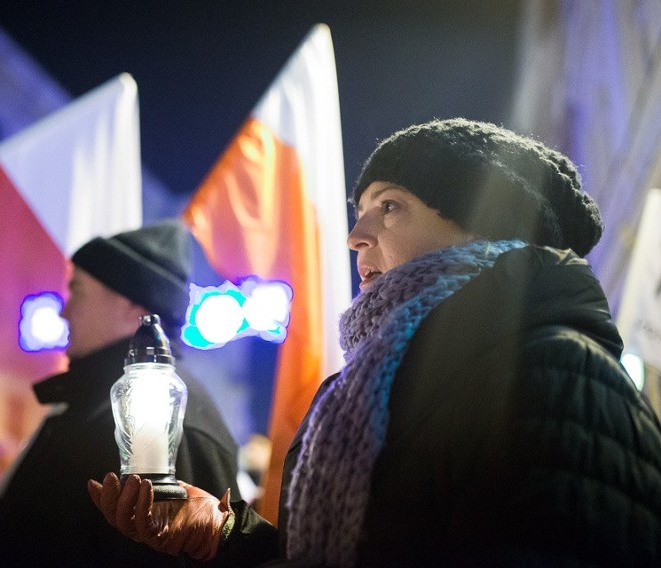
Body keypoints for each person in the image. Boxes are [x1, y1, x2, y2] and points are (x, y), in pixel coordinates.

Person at [88, 118, 661, 566]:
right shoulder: (363, 390)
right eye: (360, 212)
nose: (355, 237)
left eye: (391, 207)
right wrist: (222, 534)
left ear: (487, 222)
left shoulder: (556, 371)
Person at [0, 220, 241, 567]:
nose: (64, 311)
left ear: (134, 306)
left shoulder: (160, 415)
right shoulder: (91, 401)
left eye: (78, 291)